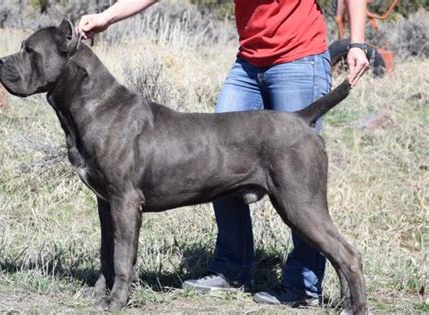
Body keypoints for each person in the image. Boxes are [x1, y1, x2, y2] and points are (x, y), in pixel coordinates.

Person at [77, 0, 369, 307]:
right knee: (213, 161)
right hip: (250, 60)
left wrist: (357, 42)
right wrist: (106, 16)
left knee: (299, 202)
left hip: (299, 57)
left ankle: (305, 287)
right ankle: (232, 269)